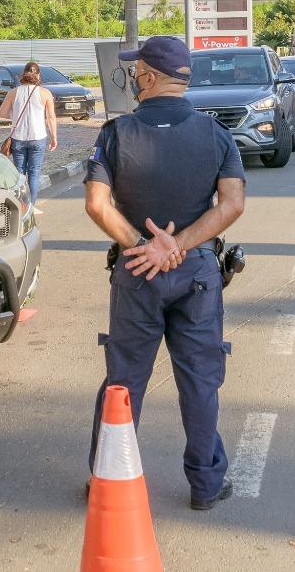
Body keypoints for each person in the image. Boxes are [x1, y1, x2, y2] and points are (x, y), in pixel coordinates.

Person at [83, 36, 247, 511]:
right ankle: (206, 484)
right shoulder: (215, 134)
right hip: (196, 274)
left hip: (136, 273)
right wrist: (178, 246)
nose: (133, 78)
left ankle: (106, 482)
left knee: (124, 382)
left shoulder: (115, 134)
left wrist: (143, 247)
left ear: (151, 77)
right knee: (200, 381)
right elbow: (233, 203)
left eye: (137, 72)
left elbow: (97, 204)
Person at [0, 62, 58, 213]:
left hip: (18, 137)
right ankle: (30, 207)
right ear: (38, 76)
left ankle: (19, 207)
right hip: (38, 137)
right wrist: (54, 137)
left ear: (23, 74)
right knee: (34, 172)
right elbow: (51, 117)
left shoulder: (13, 92)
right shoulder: (45, 93)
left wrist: (15, 114)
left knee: (19, 173)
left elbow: (2, 113)